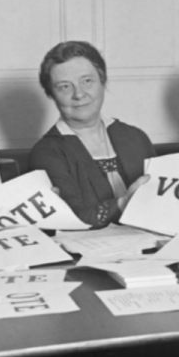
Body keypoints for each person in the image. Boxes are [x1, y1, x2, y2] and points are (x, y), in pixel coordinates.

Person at [29, 41, 153, 228]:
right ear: (51, 95)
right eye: (64, 87)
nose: (79, 94)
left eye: (87, 81)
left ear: (102, 82)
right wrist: (124, 203)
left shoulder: (136, 138)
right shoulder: (46, 153)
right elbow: (71, 218)